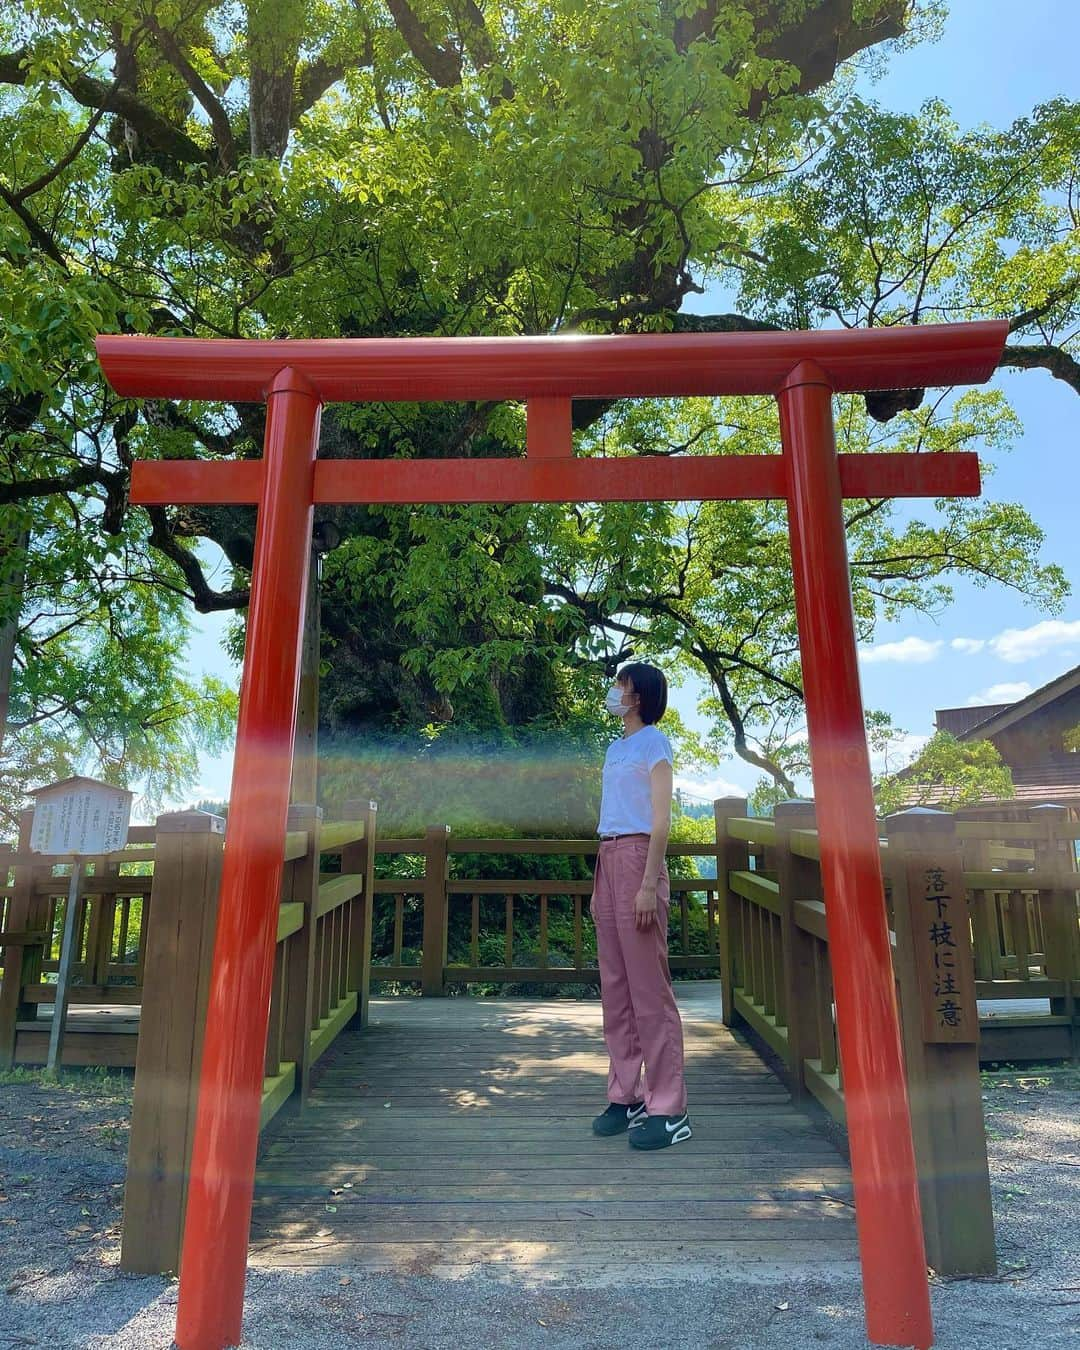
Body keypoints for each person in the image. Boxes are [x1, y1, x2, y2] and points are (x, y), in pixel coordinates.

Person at [589, 662, 691, 1150]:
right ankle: (626, 1094)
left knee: (650, 989)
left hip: (638, 858)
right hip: (608, 858)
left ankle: (669, 1107)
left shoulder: (655, 742)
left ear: (640, 694)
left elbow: (660, 818)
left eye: (623, 685)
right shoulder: (614, 748)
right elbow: (611, 815)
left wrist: (649, 882)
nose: (616, 691)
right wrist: (598, 882)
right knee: (616, 986)